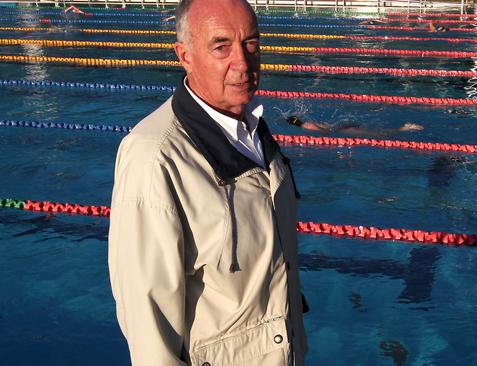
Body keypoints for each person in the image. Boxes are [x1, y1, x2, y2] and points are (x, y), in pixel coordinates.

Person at [108, 0, 308, 365]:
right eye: (221, 47)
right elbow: (147, 316)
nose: (243, 63)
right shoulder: (155, 157)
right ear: (184, 55)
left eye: (251, 43)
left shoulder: (252, 132)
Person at [286, 116, 424, 136]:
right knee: (375, 132)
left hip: (344, 131)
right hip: (344, 127)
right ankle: (404, 128)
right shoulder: (308, 122)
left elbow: (327, 132)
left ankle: (405, 128)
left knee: (376, 134)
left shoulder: (307, 127)